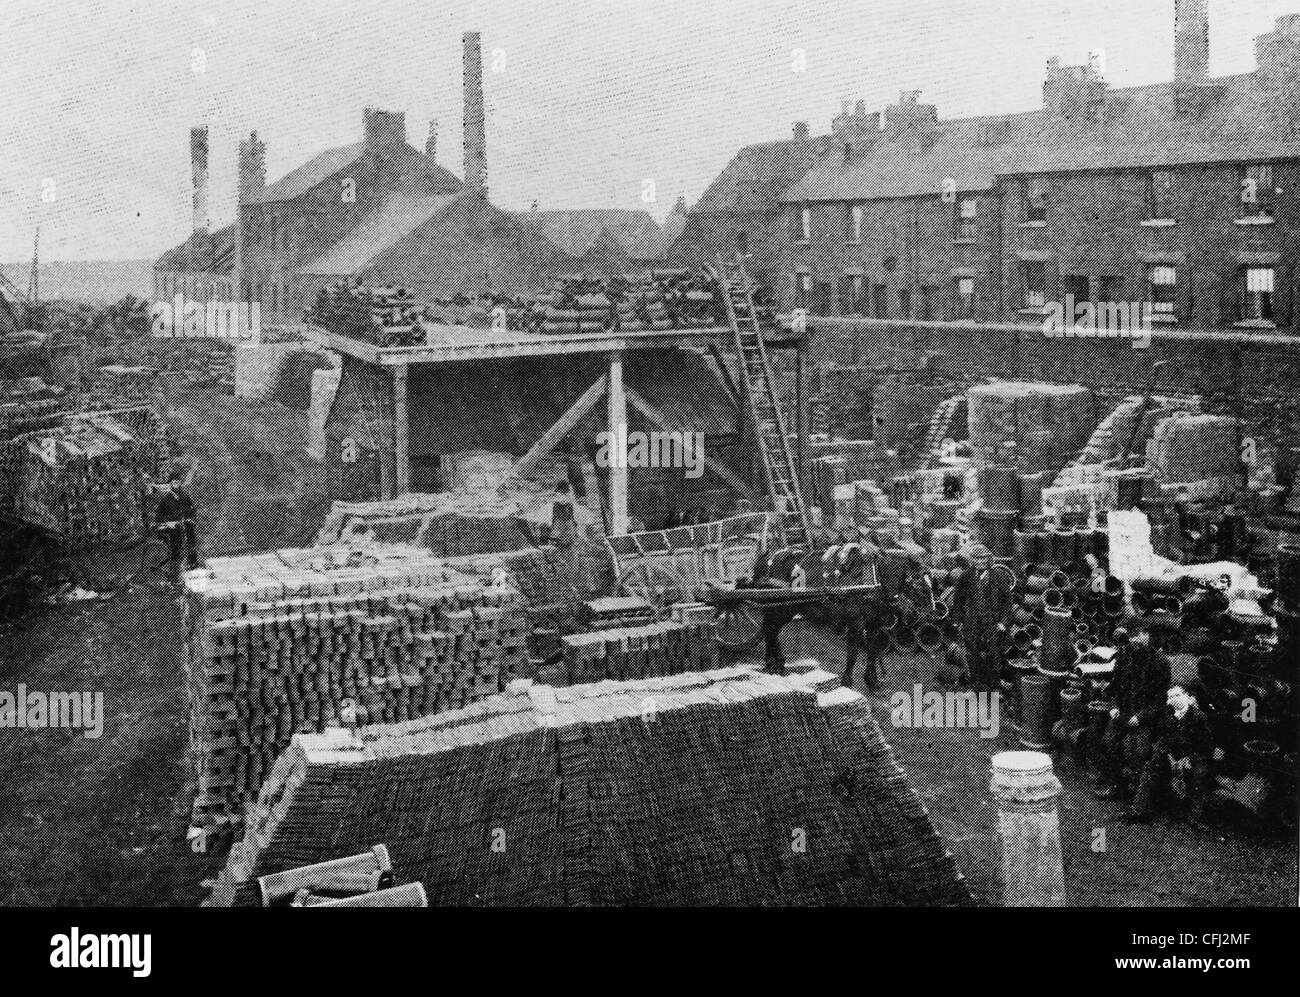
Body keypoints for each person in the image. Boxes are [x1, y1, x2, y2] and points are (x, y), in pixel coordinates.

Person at [1123, 682, 1215, 825]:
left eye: (1177, 695)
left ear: (1187, 697)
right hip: (1171, 756)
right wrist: (1170, 757)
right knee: (1151, 767)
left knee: (1200, 774)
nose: (1174, 699)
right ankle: (1138, 810)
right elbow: (1163, 740)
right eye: (1170, 697)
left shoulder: (1199, 717)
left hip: (1193, 757)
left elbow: (1206, 747)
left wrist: (1188, 759)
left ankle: (1195, 817)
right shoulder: (1168, 715)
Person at [1095, 628, 1171, 799]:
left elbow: (1159, 701)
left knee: (1139, 751)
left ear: (1149, 637)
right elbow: (1113, 688)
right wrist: (1113, 707)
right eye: (1134, 635)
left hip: (1145, 718)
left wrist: (1140, 717)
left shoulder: (1161, 663)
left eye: (1141, 635)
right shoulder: (1123, 655)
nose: (1136, 640)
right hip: (1122, 712)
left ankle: (1136, 792)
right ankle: (1115, 785)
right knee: (1108, 742)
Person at [950, 544, 1012, 688]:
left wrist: (1003, 622)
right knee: (972, 653)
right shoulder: (966, 576)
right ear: (971, 560)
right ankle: (974, 685)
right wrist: (956, 620)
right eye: (976, 559)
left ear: (989, 559)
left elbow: (1007, 602)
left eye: (983, 558)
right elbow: (958, 599)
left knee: (993, 654)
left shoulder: (999, 576)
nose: (980, 562)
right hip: (971, 621)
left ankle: (994, 686)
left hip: (992, 621)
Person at [153, 470, 199, 574]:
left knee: (190, 545)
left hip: (186, 525)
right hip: (174, 529)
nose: (176, 484)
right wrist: (167, 523)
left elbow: (192, 509)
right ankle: (175, 572)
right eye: (174, 482)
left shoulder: (184, 495)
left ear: (180, 483)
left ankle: (192, 566)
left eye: (178, 482)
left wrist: (191, 518)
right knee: (176, 549)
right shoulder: (165, 499)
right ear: (170, 484)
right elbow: (159, 515)